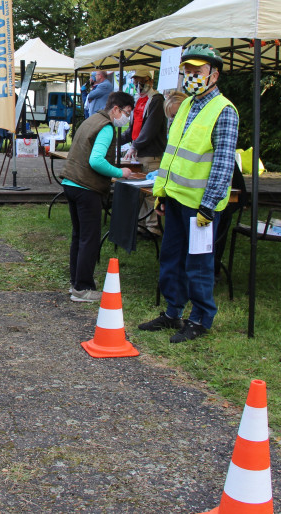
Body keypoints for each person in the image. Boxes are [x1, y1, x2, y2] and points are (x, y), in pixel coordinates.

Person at [139, 45, 239, 343]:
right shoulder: (185, 106)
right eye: (189, 72)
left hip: (200, 207)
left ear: (214, 75)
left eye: (198, 72)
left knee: (198, 263)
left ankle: (199, 319)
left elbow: (222, 163)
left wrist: (209, 206)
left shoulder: (224, 111)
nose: (192, 77)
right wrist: (162, 195)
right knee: (171, 258)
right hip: (175, 198)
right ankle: (173, 312)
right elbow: (172, 156)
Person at [60, 91, 141, 303]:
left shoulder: (91, 120)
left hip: (71, 182)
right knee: (89, 238)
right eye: (126, 112)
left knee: (79, 236)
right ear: (116, 109)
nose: (126, 117)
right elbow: (96, 161)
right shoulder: (105, 127)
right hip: (86, 187)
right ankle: (83, 288)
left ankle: (75, 283)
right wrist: (119, 172)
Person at [124, 77, 167, 236]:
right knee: (141, 192)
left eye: (142, 81)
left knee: (150, 194)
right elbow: (133, 129)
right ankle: (141, 225)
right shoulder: (140, 101)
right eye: (135, 81)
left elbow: (150, 129)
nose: (138, 85)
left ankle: (153, 228)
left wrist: (135, 145)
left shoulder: (156, 100)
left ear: (150, 80)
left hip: (151, 154)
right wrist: (118, 140)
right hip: (140, 154)